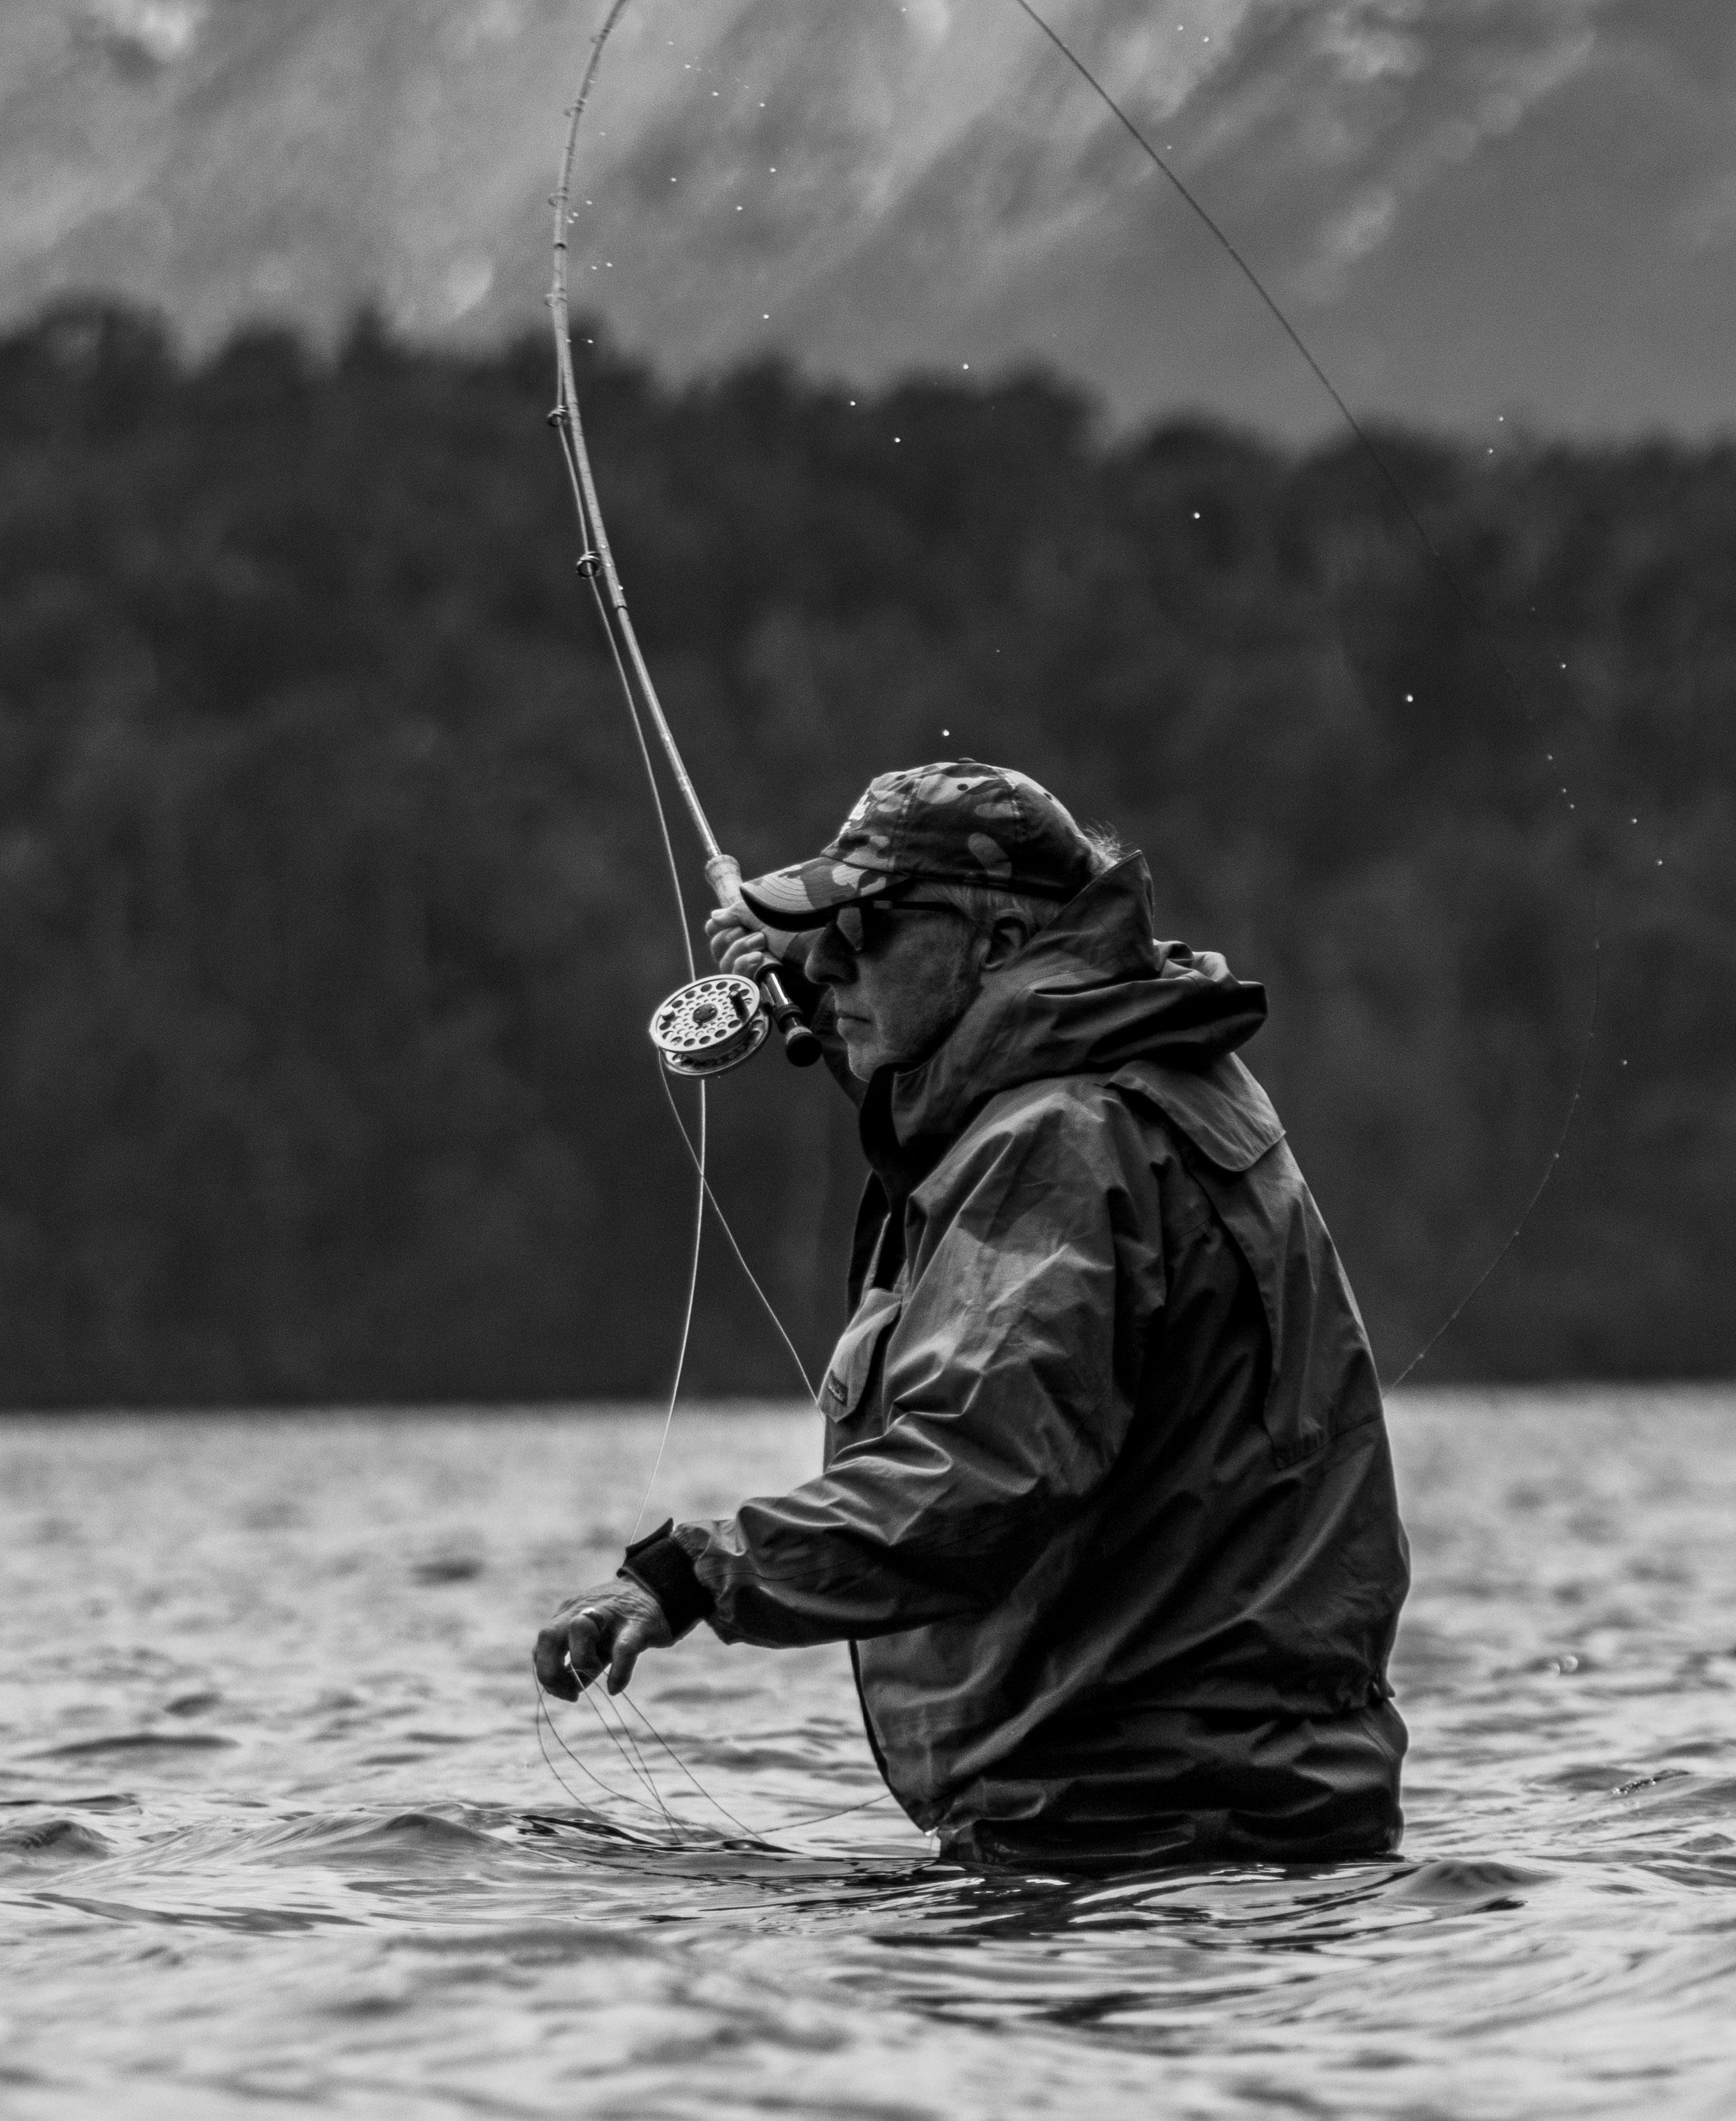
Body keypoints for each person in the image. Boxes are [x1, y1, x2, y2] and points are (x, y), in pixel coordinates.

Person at [533, 759, 1410, 1870]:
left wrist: (692, 1576)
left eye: (868, 928)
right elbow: (985, 1110)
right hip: (1250, 1822)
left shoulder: (1064, 1141)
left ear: (996, 944)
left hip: (1133, 1840)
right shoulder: (1160, 1066)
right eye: (823, 933)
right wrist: (853, 1019)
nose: (830, 960)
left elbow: (983, 1470)